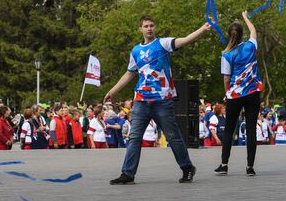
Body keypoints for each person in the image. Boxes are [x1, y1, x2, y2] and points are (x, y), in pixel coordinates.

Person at [106, 15, 211, 184]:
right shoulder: (135, 51)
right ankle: (127, 173)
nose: (149, 28)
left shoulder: (162, 44)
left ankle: (187, 167)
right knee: (134, 137)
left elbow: (183, 40)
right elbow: (129, 73)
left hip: (162, 100)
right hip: (141, 100)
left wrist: (202, 29)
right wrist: (113, 90)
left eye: (152, 25)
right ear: (140, 29)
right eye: (146, 26)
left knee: (173, 136)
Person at [214, 11, 261, 177]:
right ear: (242, 34)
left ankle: (224, 164)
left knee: (229, 130)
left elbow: (226, 78)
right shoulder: (250, 46)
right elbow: (254, 31)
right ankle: (250, 167)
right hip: (253, 93)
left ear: (229, 35)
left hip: (235, 94)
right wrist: (246, 17)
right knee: (251, 130)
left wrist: (228, 93)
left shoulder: (226, 54)